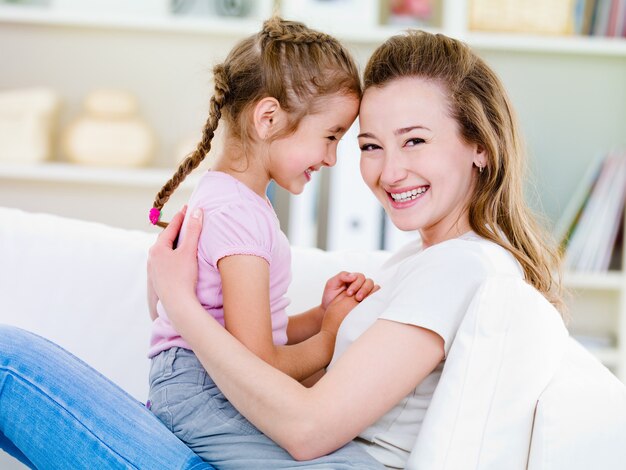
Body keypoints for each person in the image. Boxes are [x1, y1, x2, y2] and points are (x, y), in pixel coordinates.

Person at [147, 29, 563, 468]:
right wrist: (324, 321)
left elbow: (306, 428)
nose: (390, 171)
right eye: (370, 146)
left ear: (480, 144)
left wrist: (180, 302)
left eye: (415, 140)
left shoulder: (460, 265)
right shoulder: (416, 261)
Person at [145, 16, 384, 469]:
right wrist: (331, 337)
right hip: (204, 393)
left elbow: (247, 328)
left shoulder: (232, 199)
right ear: (268, 118)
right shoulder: (239, 215)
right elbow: (259, 364)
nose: (332, 158)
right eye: (331, 136)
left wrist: (317, 317)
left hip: (199, 383)